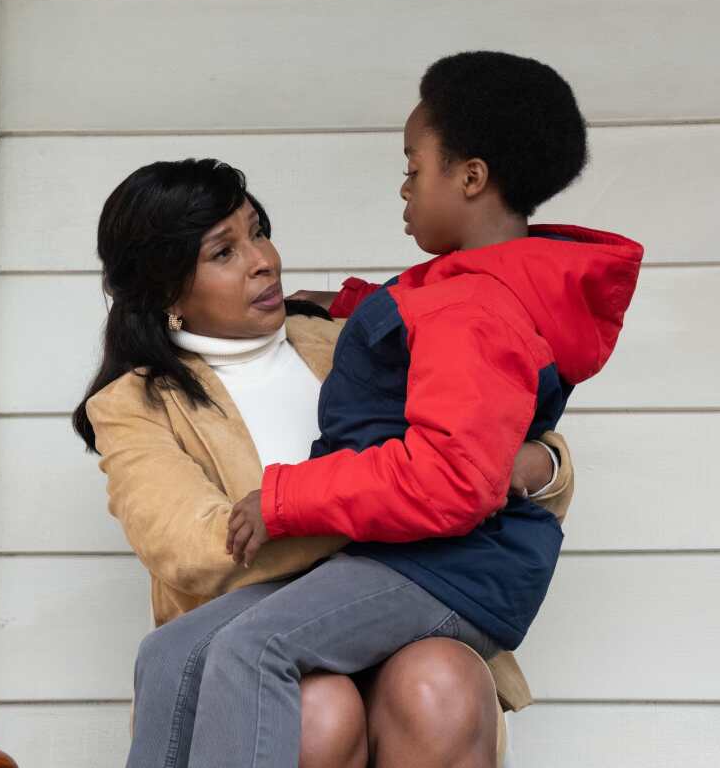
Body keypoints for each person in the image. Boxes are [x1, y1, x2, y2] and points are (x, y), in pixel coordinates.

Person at [172, 51, 645, 768]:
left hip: (442, 569)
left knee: (252, 648)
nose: (403, 187)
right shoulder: (468, 286)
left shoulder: (477, 308)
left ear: (471, 177)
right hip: (417, 561)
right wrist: (349, 307)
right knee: (173, 650)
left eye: (412, 167)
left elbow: (451, 478)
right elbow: (422, 323)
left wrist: (284, 498)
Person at [74, 158, 575, 767]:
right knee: (315, 704)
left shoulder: (351, 338)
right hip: (268, 636)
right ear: (165, 288)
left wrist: (518, 469)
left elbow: (526, 453)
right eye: (224, 253)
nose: (263, 259)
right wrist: (396, 498)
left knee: (441, 680)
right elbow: (197, 545)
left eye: (258, 230)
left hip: (407, 615)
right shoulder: (134, 405)